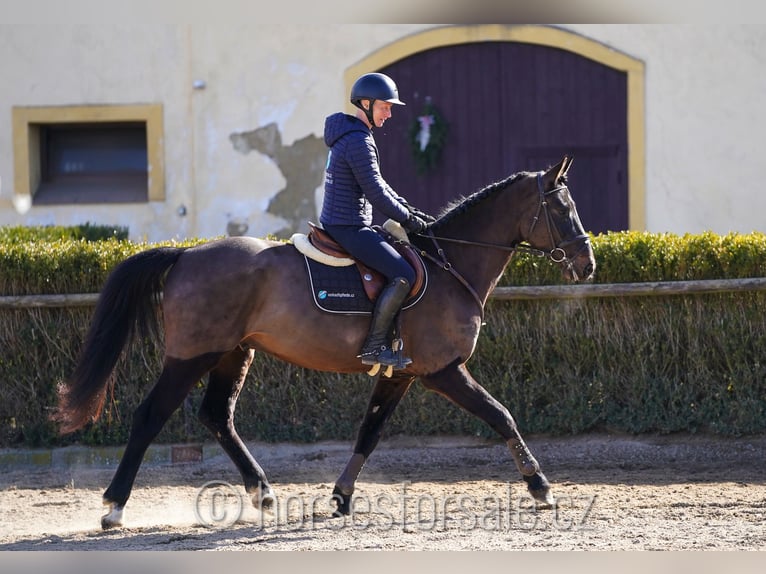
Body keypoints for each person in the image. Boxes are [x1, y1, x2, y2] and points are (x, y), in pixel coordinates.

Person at [319, 72, 433, 369]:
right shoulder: (358, 141)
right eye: (385, 107)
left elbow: (379, 185)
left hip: (346, 222)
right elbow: (376, 193)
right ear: (366, 104)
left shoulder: (354, 136)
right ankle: (374, 347)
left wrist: (410, 210)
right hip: (348, 226)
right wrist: (408, 220)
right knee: (403, 274)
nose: (390, 113)